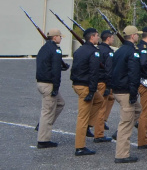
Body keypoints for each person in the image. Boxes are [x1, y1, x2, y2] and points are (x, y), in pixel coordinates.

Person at [109, 25, 141, 163]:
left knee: (137, 110)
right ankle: (122, 155)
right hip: (126, 90)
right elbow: (133, 74)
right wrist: (133, 93)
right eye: (137, 34)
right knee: (126, 123)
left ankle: (119, 134)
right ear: (133, 36)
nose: (138, 36)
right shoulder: (132, 52)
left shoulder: (119, 51)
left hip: (118, 89)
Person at [71, 27, 102, 156]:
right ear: (92, 37)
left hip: (77, 83)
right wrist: (92, 90)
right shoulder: (93, 52)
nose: (98, 38)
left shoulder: (79, 50)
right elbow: (94, 72)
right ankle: (80, 147)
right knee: (82, 117)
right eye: (97, 35)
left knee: (99, 100)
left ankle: (89, 125)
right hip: (86, 86)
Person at [36, 28, 66, 149]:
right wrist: (56, 87)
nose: (61, 38)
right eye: (60, 36)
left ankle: (43, 125)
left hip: (41, 82)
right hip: (49, 84)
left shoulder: (43, 48)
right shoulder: (56, 50)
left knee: (60, 103)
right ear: (55, 37)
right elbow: (55, 70)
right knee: (47, 111)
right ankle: (43, 140)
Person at [93, 30, 116, 143]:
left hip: (97, 79)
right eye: (112, 37)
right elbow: (109, 69)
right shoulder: (108, 51)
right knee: (102, 107)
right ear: (108, 38)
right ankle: (99, 134)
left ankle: (103, 122)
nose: (113, 39)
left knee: (111, 98)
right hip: (104, 81)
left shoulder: (97, 49)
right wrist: (108, 85)